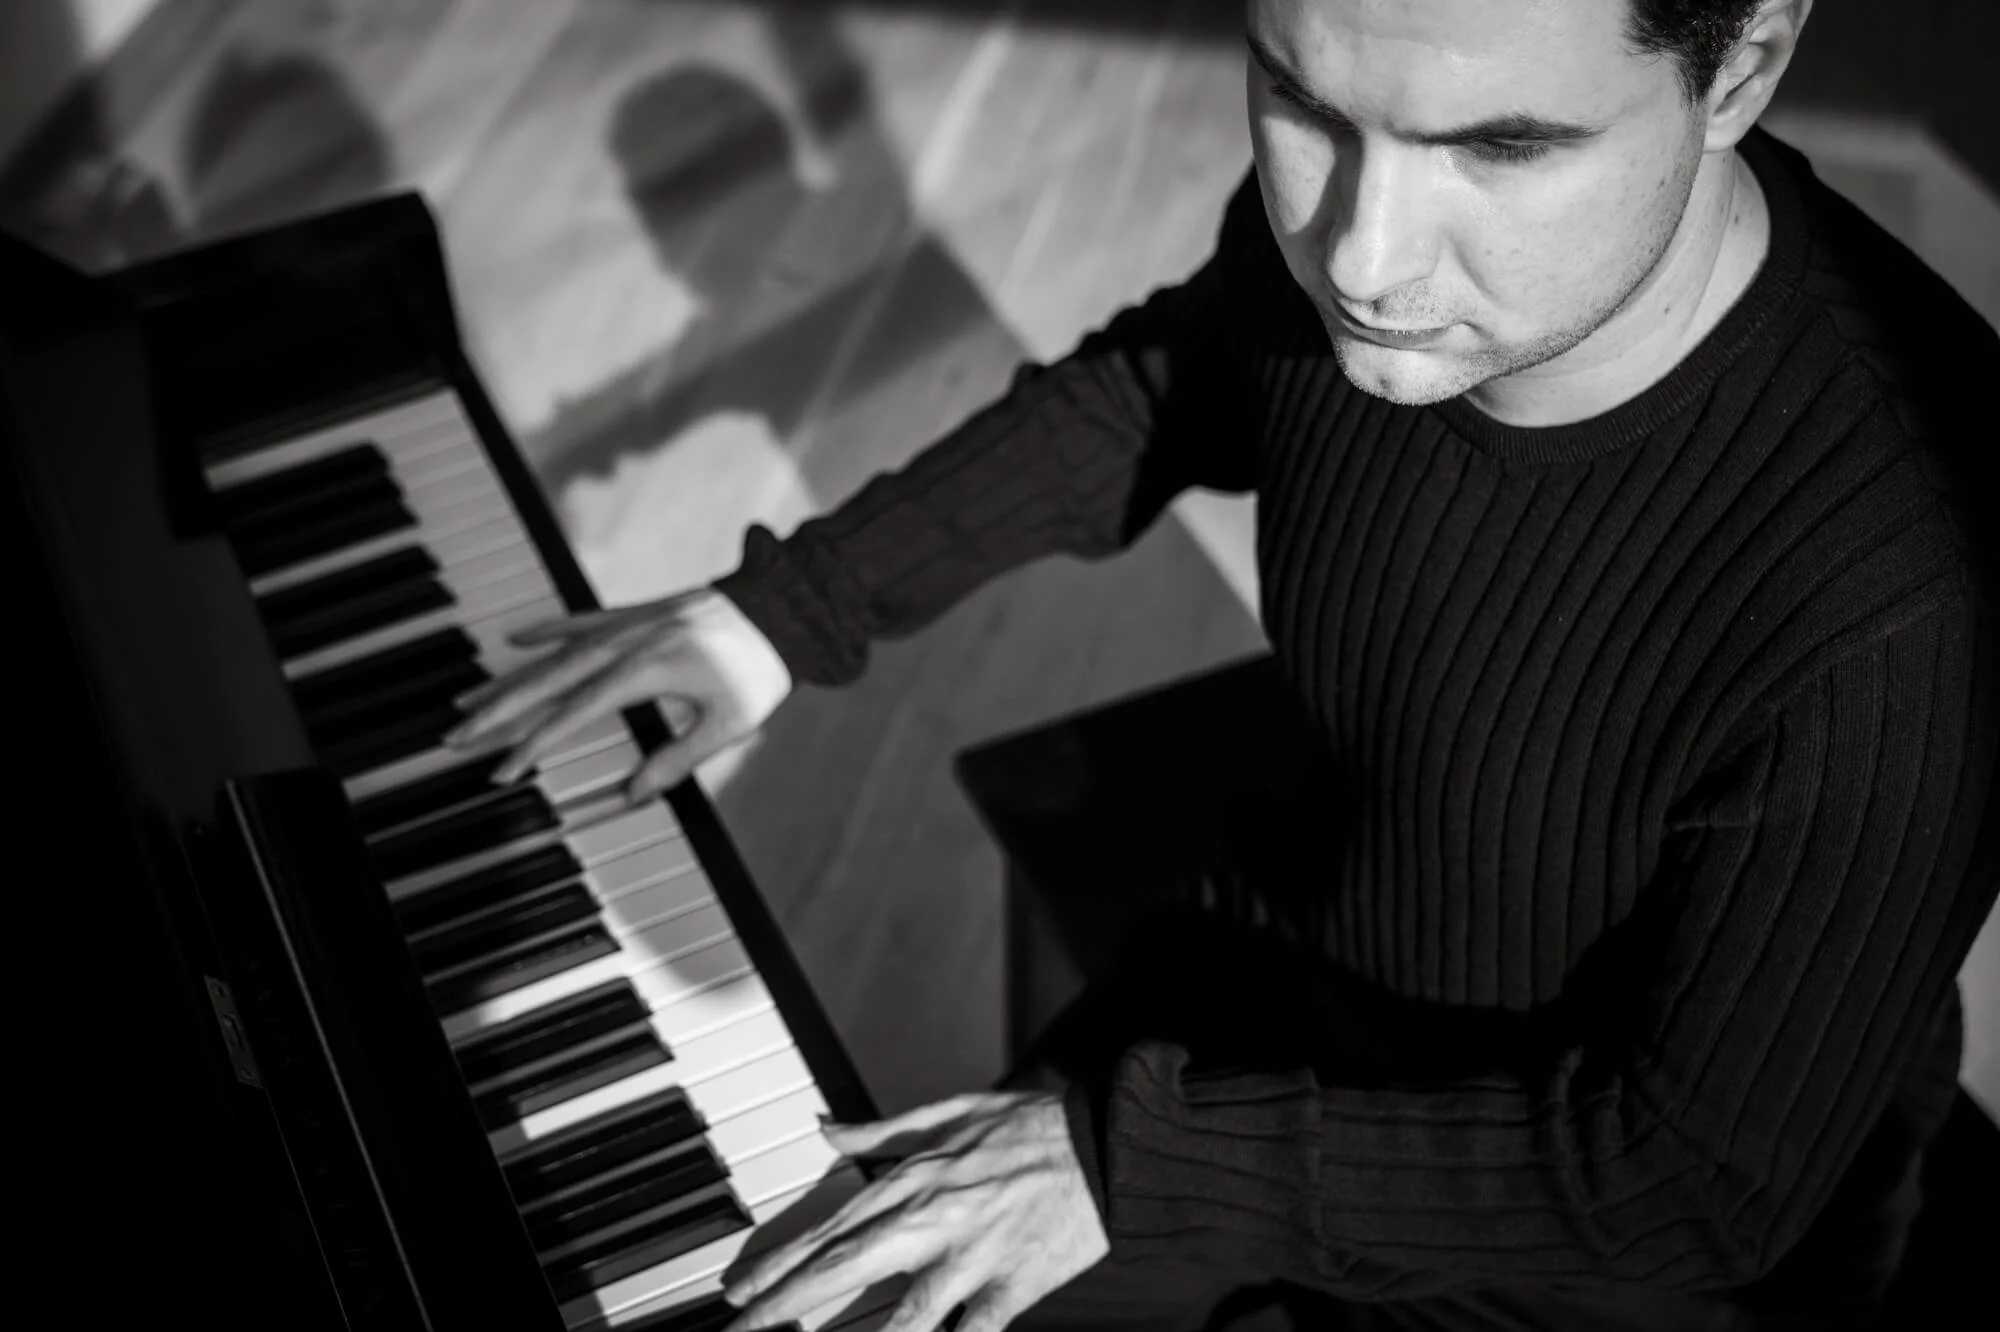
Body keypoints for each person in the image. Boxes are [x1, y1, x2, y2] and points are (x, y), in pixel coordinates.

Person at [444, 0, 1999, 1328]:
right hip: (1291, 982)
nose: (1362, 255)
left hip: (1598, 1257)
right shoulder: (1336, 245)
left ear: (1741, 67)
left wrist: (1141, 1168)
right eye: (1304, 101)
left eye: (1502, 147)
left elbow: (1691, 1183)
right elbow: (1165, 386)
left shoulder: (1916, 592)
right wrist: (781, 618)